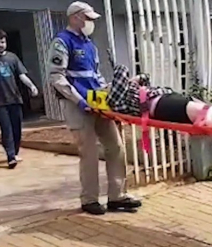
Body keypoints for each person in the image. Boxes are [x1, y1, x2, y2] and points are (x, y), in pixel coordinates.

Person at [47, 1, 141, 215]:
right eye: (87, 18)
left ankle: (117, 196)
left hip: (97, 104)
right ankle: (89, 199)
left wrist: (107, 97)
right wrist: (80, 101)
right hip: (77, 105)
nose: (91, 23)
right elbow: (57, 77)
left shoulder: (90, 45)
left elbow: (96, 75)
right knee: (88, 152)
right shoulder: (62, 42)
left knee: (116, 147)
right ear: (74, 17)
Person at [0, 29, 39, 169]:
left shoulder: (12, 58)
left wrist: (32, 86)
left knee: (16, 127)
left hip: (14, 97)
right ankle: (10, 156)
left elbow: (21, 75)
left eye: (3, 42)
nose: (1, 44)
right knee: (6, 128)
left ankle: (15, 152)